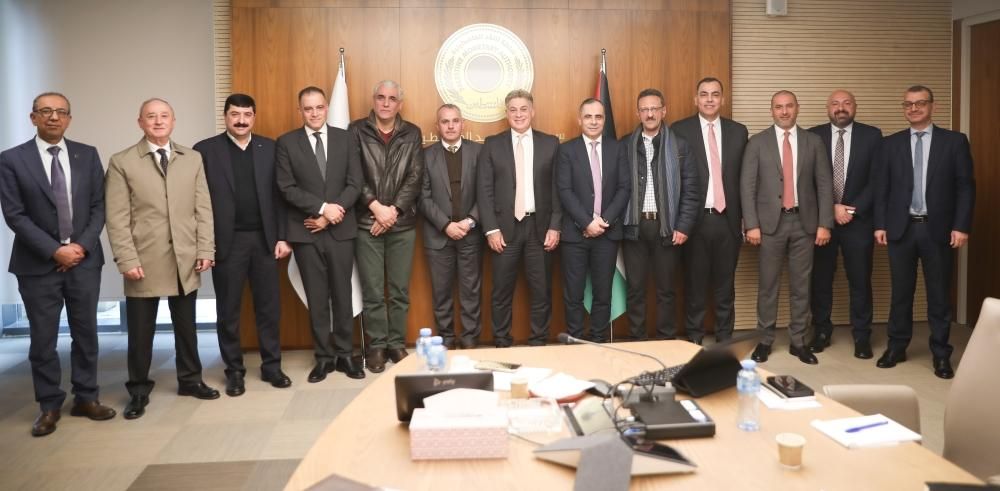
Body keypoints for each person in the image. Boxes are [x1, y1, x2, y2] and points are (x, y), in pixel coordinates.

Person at [0, 92, 116, 436]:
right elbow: (15, 215)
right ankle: (49, 405)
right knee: (43, 339)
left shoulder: (87, 154)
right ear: (33, 117)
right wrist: (55, 250)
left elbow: (99, 206)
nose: (54, 117)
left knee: (86, 334)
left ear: (69, 118)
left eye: (61, 112)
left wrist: (79, 247)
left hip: (84, 261)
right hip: (37, 265)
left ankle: (87, 397)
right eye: (46, 111)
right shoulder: (12, 159)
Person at [105, 98, 219, 419]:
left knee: (187, 327)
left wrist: (206, 249)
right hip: (144, 259)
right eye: (151, 116)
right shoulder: (122, 162)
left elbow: (203, 209)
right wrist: (126, 259)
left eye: (164, 116)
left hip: (185, 257)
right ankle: (138, 390)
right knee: (141, 333)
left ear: (173, 121)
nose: (158, 121)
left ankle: (190, 380)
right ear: (140, 122)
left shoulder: (192, 158)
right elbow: (116, 217)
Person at [194, 93, 293, 396]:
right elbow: (197, 201)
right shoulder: (205, 150)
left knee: (269, 308)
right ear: (225, 116)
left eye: (247, 114)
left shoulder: (270, 148)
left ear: (254, 117)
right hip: (227, 242)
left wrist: (283, 236)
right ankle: (234, 371)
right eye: (235, 114)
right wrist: (204, 246)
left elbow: (281, 196)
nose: (241, 120)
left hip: (265, 240)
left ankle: (272, 366)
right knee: (228, 311)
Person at [874, 85, 975, 379]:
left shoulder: (954, 142)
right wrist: (880, 224)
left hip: (938, 230)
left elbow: (965, 187)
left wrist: (961, 226)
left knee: (939, 296)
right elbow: (882, 188)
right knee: (901, 294)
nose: (914, 108)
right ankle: (896, 347)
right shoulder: (890, 144)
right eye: (908, 104)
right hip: (901, 229)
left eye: (920, 103)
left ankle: (941, 354)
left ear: (933, 106)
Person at [276, 86, 365, 382]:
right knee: (316, 298)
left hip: (340, 229)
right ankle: (324, 358)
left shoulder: (346, 138)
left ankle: (345, 355)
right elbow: (286, 187)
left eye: (319, 107)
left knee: (342, 294)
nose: (314, 113)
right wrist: (323, 208)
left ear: (327, 108)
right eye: (308, 108)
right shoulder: (287, 143)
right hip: (306, 232)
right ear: (299, 111)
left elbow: (355, 183)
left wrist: (331, 214)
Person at [741, 90, 833, 365]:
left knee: (801, 286)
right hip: (770, 225)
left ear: (797, 108)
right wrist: (751, 224)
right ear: (772, 111)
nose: (784, 111)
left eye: (789, 106)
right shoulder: (757, 143)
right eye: (778, 107)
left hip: (805, 224)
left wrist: (824, 223)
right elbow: (747, 186)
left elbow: (824, 185)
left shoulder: (813, 142)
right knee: (768, 286)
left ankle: (799, 341)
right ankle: (764, 340)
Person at [477, 89, 562, 347]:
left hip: (540, 228)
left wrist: (555, 226)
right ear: (507, 114)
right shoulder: (492, 144)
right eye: (513, 110)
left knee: (541, 291)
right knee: (501, 292)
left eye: (523, 109)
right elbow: (484, 190)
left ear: (532, 112)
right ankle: (502, 342)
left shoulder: (550, 143)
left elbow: (558, 189)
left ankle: (538, 342)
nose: (518, 114)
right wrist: (491, 229)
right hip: (505, 230)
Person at [350, 80, 424, 372]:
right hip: (366, 222)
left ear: (399, 104)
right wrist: (376, 208)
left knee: (398, 290)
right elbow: (353, 174)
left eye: (392, 98)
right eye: (380, 97)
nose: (385, 103)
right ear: (374, 99)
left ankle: (395, 344)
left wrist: (391, 212)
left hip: (401, 223)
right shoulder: (356, 130)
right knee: (372, 291)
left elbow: (415, 177)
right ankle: (377, 346)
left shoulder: (412, 133)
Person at [670, 78, 748, 344]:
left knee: (725, 285)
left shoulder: (738, 131)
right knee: (695, 284)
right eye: (704, 94)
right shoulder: (680, 130)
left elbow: (745, 179)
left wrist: (747, 219)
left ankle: (725, 337)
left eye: (715, 94)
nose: (710, 99)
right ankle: (694, 337)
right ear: (696, 99)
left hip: (729, 220)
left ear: (722, 99)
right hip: (695, 220)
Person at [807, 90, 882, 359]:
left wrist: (850, 209)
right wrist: (831, 208)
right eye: (835, 103)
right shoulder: (813, 135)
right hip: (822, 221)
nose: (841, 108)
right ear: (827, 108)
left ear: (855, 107)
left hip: (858, 222)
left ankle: (862, 336)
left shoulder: (872, 136)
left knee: (860, 280)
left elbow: (877, 180)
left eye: (846, 103)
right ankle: (821, 331)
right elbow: (806, 181)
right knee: (820, 279)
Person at [621, 88, 700, 341]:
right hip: (634, 226)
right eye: (644, 109)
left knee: (666, 290)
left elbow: (691, 191)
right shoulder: (625, 144)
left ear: (663, 111)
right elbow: (616, 187)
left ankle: (666, 340)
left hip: (667, 226)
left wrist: (684, 226)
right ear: (638, 113)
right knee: (635, 289)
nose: (649, 114)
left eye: (654, 108)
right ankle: (637, 340)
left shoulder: (680, 146)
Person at [556, 98, 630, 343]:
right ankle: (575, 341)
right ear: (580, 120)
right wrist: (587, 222)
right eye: (588, 116)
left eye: (598, 116)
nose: (594, 121)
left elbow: (624, 188)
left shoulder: (617, 148)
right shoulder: (567, 150)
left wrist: (604, 221)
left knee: (603, 293)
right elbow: (564, 191)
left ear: (604, 119)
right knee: (573, 294)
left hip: (607, 234)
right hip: (575, 234)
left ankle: (598, 340)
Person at [417, 104, 483, 349]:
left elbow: (486, 193)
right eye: (445, 121)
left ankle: (469, 339)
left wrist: (469, 221)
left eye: (455, 121)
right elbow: (422, 197)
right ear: (438, 126)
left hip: (471, 233)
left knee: (471, 292)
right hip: (438, 236)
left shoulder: (479, 152)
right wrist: (445, 225)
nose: (451, 126)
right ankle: (445, 340)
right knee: (441, 293)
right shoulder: (425, 155)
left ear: (463, 124)